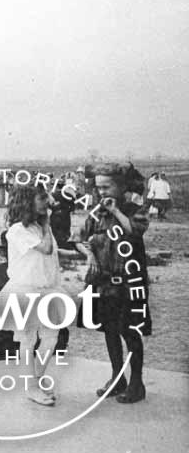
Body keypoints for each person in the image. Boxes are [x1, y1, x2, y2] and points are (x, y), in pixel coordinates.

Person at [72, 163, 150, 404]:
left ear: (121, 186)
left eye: (107, 186)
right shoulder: (96, 213)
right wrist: (90, 255)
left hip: (130, 283)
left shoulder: (136, 208)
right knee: (109, 331)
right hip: (105, 283)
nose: (102, 192)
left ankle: (137, 383)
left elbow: (134, 233)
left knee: (131, 332)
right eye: (98, 187)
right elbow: (78, 239)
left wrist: (116, 212)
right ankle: (117, 378)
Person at [0, 185, 68, 406]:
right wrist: (48, 224)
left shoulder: (40, 228)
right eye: (41, 198)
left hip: (48, 288)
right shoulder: (17, 230)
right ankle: (32, 386)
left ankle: (35, 381)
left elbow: (53, 255)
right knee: (28, 341)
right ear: (27, 202)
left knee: (51, 339)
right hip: (25, 289)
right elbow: (47, 249)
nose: (46, 202)